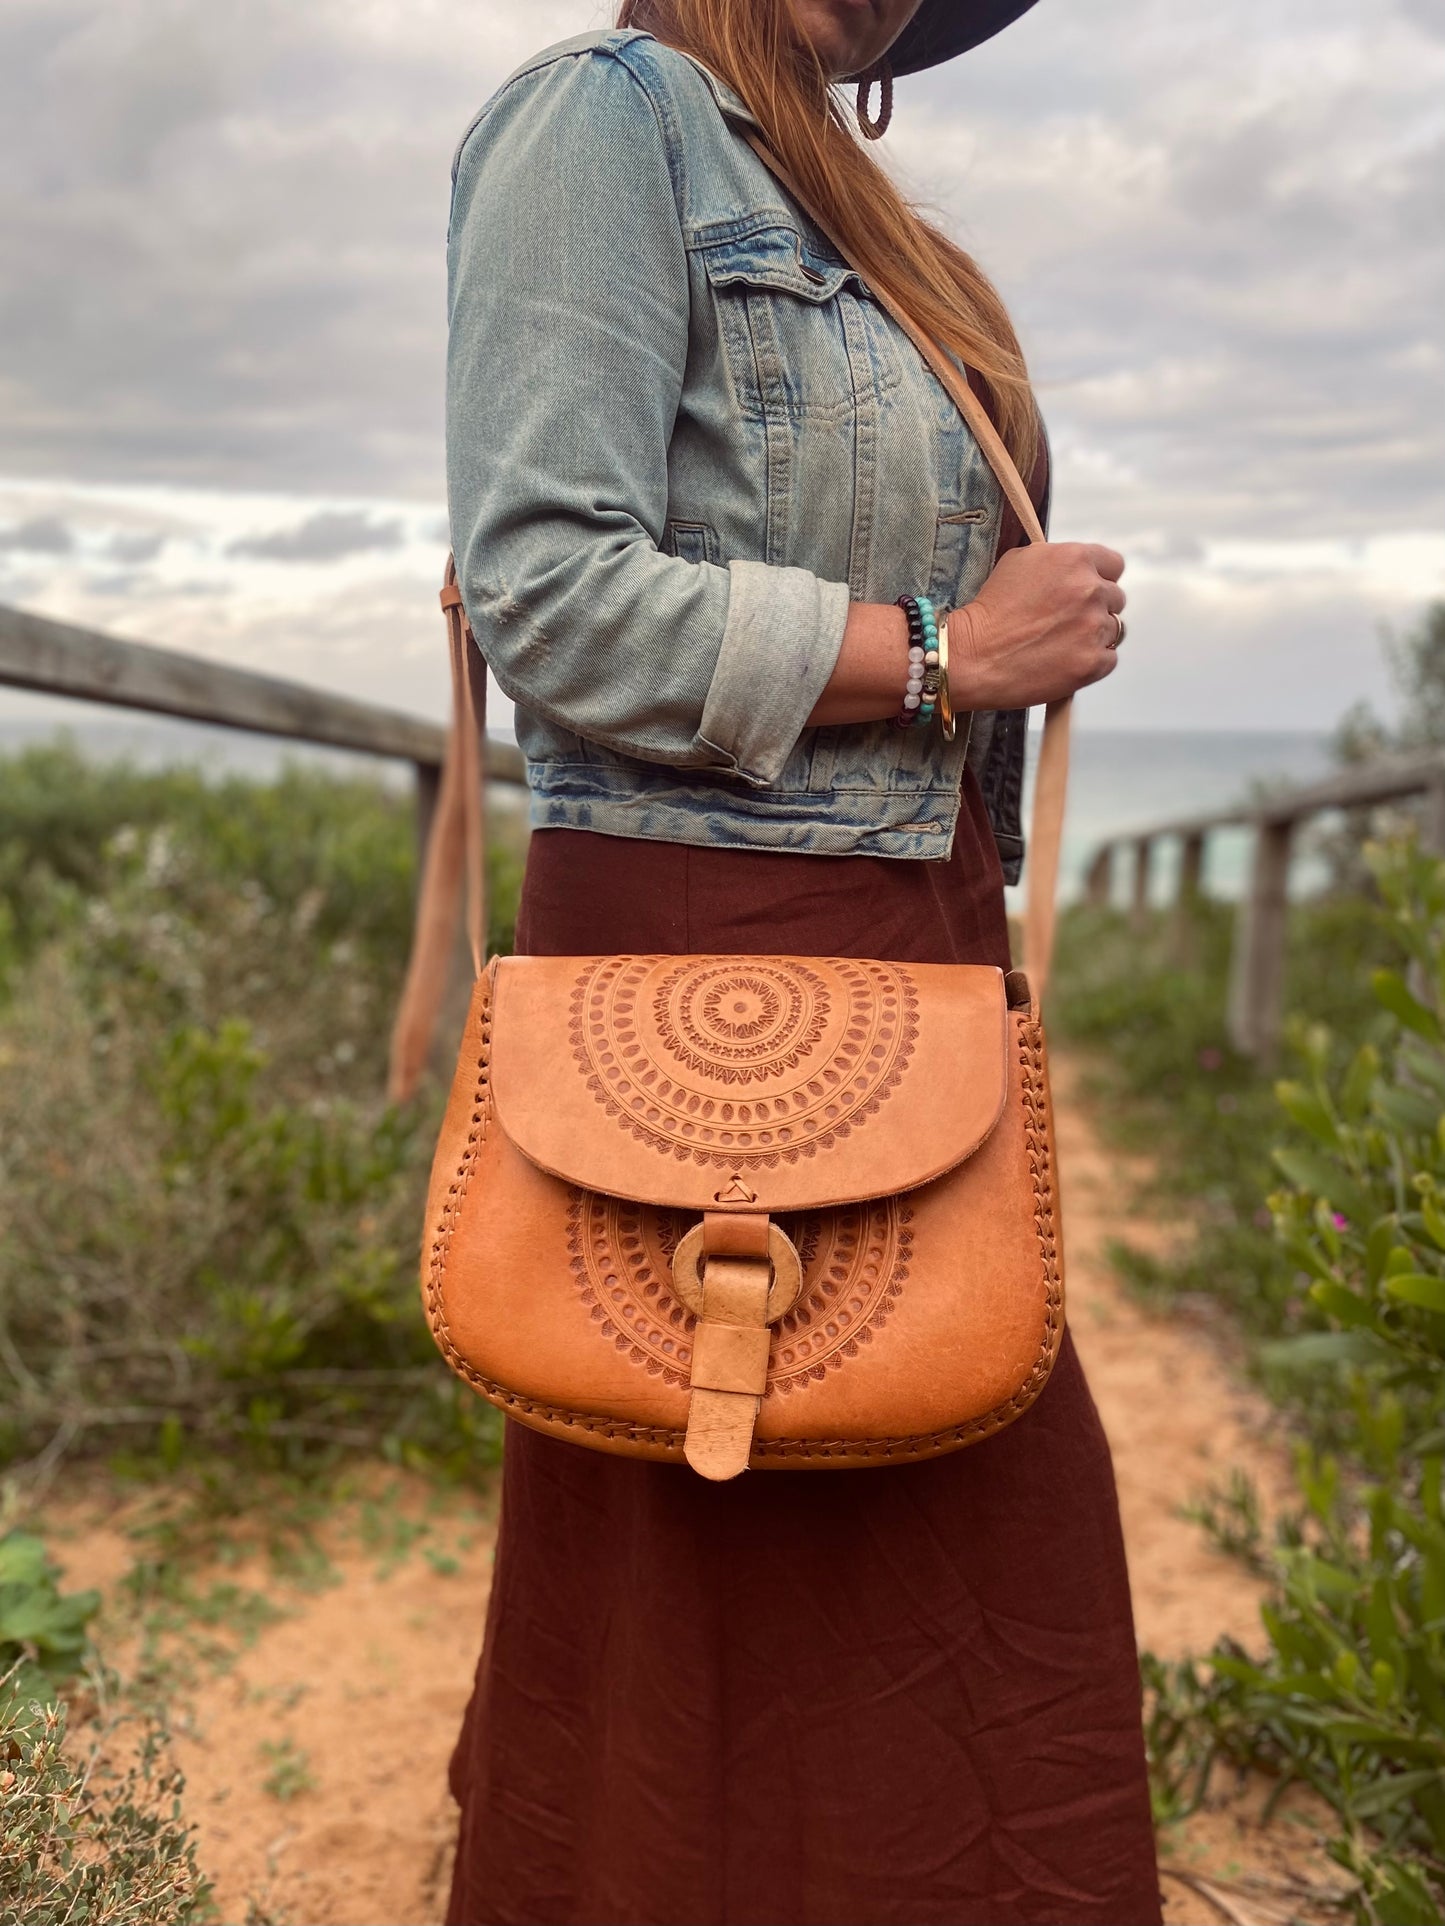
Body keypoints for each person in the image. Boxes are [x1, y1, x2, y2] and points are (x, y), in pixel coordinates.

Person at [442, 3, 1157, 1921]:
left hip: (905, 929)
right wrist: (943, 652)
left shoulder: (842, 212)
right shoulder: (603, 126)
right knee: (696, 1575)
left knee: (961, 1519)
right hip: (705, 950)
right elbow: (545, 589)